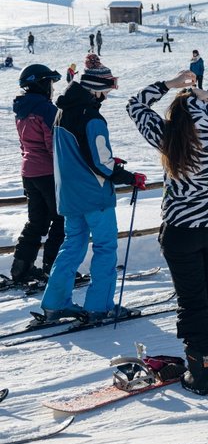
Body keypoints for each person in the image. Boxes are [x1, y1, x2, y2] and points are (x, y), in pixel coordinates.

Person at [127, 69, 208, 396]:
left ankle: (200, 372)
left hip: (181, 230)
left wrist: (169, 84)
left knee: (191, 298)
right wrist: (207, 93)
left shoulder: (169, 136)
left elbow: (136, 104)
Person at [40, 54, 145, 323]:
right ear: (96, 89)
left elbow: (78, 152)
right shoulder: (93, 118)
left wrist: (108, 163)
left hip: (69, 194)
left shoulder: (62, 112)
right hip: (95, 195)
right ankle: (100, 306)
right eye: (107, 90)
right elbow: (101, 162)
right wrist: (129, 176)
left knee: (72, 246)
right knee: (105, 247)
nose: (107, 96)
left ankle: (54, 303)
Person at [10, 65, 65, 284]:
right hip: (49, 172)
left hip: (29, 172)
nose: (51, 88)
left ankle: (20, 269)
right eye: (50, 83)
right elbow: (54, 146)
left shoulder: (21, 109)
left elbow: (26, 143)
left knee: (37, 222)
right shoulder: (46, 109)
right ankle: (54, 270)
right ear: (42, 84)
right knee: (61, 220)